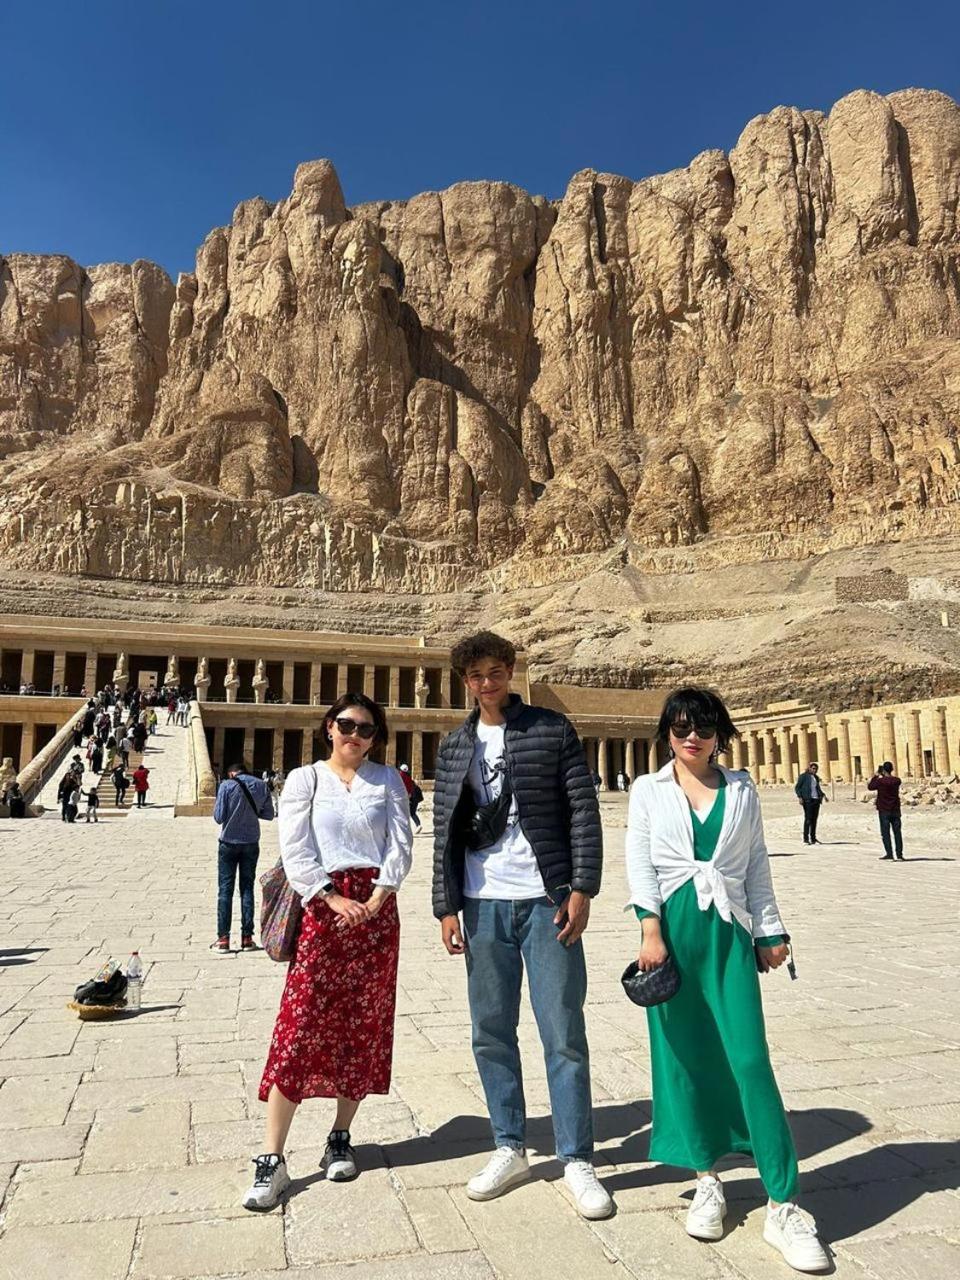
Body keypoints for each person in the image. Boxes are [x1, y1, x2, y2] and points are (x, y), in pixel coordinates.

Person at [626, 687, 828, 1273]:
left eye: (704, 726)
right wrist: (649, 930)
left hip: (729, 933)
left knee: (750, 1061)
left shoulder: (741, 790)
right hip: (672, 935)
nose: (693, 736)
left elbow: (756, 864)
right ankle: (707, 1180)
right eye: (682, 727)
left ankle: (783, 1203)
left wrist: (770, 929)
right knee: (686, 1060)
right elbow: (640, 861)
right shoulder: (648, 789)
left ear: (720, 734)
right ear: (667, 733)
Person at [432, 631, 611, 1220]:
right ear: (465, 682)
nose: (487, 683)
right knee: (490, 1030)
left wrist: (582, 887)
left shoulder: (550, 729)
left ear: (510, 672)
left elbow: (582, 808)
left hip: (544, 898)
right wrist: (446, 906)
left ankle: (576, 1157)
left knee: (562, 1030)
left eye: (495, 671)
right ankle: (509, 1145)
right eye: (475, 675)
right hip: (482, 903)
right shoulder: (455, 745)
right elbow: (444, 831)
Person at [244, 693, 412, 1212]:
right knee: (299, 1026)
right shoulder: (305, 780)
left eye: (366, 728)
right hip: (322, 908)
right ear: (329, 727)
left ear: (376, 737)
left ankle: (341, 1136)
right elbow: (295, 847)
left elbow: (400, 844)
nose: (355, 735)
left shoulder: (388, 781)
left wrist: (377, 899)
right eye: (347, 725)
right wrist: (332, 897)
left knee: (363, 1025)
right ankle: (272, 1157)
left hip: (377, 913)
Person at [212, 761, 275, 954]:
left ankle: (223, 940)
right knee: (247, 889)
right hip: (251, 842)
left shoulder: (226, 785)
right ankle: (247, 939)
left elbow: (218, 817)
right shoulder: (261, 785)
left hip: (229, 842)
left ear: (232, 774)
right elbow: (269, 814)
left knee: (225, 890)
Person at [868, 762, 904, 860]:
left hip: (884, 809)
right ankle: (899, 854)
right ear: (892, 769)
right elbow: (891, 781)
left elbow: (870, 787)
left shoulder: (880, 782)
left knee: (885, 833)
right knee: (897, 833)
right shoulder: (897, 780)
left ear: (883, 770)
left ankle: (889, 853)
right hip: (895, 809)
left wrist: (876, 776)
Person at [794, 762, 828, 845]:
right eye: (813, 768)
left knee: (814, 820)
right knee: (808, 819)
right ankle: (805, 839)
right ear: (809, 768)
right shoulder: (803, 776)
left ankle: (813, 839)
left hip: (816, 800)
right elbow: (797, 787)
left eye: (816, 769)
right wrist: (800, 797)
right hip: (807, 800)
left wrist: (823, 795)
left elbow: (817, 788)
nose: (814, 770)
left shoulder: (816, 777)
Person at [398, 763, 424, 832]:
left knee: (404, 813)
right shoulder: (409, 777)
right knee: (412, 812)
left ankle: (404, 828)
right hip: (415, 798)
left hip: (409, 798)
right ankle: (418, 825)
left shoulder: (400, 777)